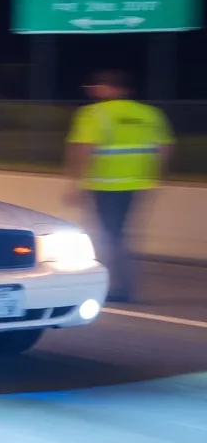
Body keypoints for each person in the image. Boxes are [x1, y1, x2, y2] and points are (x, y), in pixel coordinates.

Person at [65, 69, 174, 303]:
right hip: (139, 183)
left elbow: (83, 148)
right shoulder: (151, 113)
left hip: (105, 185)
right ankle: (120, 285)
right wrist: (156, 176)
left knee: (108, 237)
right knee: (119, 235)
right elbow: (165, 147)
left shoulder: (94, 113)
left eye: (96, 86)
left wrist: (76, 183)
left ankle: (115, 287)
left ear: (106, 88)